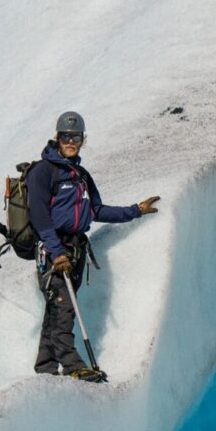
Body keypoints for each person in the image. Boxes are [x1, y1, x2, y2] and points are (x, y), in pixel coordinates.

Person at [25, 111, 160, 382]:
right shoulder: (43, 171)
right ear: (57, 137)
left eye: (75, 137)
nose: (70, 141)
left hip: (74, 250)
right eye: (65, 136)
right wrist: (56, 251)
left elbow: (96, 209)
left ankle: (46, 368)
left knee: (56, 309)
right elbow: (38, 215)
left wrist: (135, 210)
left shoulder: (80, 175)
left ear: (82, 139)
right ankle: (74, 367)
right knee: (63, 308)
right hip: (54, 250)